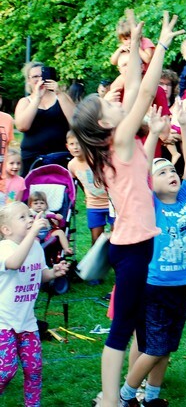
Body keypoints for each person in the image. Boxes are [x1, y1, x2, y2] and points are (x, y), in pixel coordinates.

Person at [70, 9, 184, 407]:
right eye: (110, 106)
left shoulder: (123, 141)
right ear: (104, 125)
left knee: (135, 323)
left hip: (136, 244)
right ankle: (110, 399)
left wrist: (135, 45)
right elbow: (145, 88)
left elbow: (134, 84)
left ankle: (127, 394)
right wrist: (162, 45)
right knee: (121, 329)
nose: (117, 101)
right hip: (132, 250)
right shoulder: (117, 140)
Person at [119, 101, 186, 407]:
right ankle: (125, 395)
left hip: (180, 287)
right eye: (163, 172)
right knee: (153, 347)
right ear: (152, 185)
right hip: (153, 287)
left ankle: (151, 397)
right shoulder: (150, 205)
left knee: (166, 348)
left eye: (171, 169)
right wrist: (152, 134)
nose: (171, 173)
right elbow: (139, 175)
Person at [0, 202, 69, 407]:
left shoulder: (36, 248)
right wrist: (32, 236)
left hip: (27, 321)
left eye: (30, 215)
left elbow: (39, 275)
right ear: (6, 229)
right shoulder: (4, 249)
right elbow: (14, 264)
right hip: (4, 322)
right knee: (6, 370)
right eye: (23, 217)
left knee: (34, 368)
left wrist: (53, 273)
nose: (30, 219)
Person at [15, 62, 76, 174]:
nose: (40, 79)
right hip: (32, 157)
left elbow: (75, 122)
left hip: (61, 155)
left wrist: (60, 93)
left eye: (42, 75)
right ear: (28, 80)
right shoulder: (25, 101)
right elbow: (22, 126)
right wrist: (38, 97)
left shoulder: (61, 97)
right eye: (35, 76)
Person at [67, 131, 113, 245]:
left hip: (111, 202)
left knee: (116, 235)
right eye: (72, 144)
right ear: (67, 146)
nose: (76, 147)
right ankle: (98, 262)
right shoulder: (71, 165)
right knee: (96, 239)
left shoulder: (97, 158)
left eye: (79, 143)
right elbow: (81, 183)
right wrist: (87, 195)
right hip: (93, 205)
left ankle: (116, 260)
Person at [28, 191, 72, 256]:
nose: (39, 205)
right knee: (34, 240)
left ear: (46, 205)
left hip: (48, 233)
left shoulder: (49, 213)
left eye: (42, 203)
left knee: (60, 232)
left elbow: (57, 224)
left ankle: (66, 249)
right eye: (35, 203)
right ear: (30, 205)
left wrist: (56, 219)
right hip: (34, 234)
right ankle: (36, 254)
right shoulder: (29, 213)